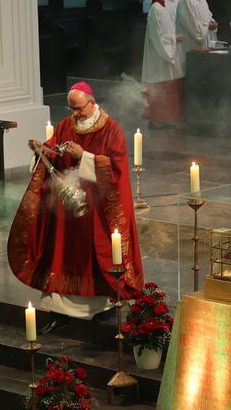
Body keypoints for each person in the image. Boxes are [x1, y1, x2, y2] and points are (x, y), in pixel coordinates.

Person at [8, 82, 145, 318]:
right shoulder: (65, 126)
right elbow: (53, 154)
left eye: (79, 109)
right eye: (71, 109)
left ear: (92, 102)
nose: (75, 114)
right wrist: (42, 151)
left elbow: (116, 170)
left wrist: (84, 157)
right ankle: (58, 308)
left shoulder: (111, 130)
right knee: (61, 253)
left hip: (97, 209)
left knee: (96, 255)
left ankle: (101, 305)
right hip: (67, 210)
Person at [142, 0, 184, 124]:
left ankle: (165, 118)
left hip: (166, 52)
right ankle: (157, 120)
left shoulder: (164, 7)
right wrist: (173, 39)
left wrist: (173, 37)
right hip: (159, 56)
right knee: (159, 87)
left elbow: (166, 32)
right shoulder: (156, 9)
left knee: (168, 87)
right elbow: (157, 37)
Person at [176, 0, 218, 66]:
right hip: (192, 44)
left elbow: (208, 16)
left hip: (204, 42)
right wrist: (207, 26)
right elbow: (190, 24)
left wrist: (212, 22)